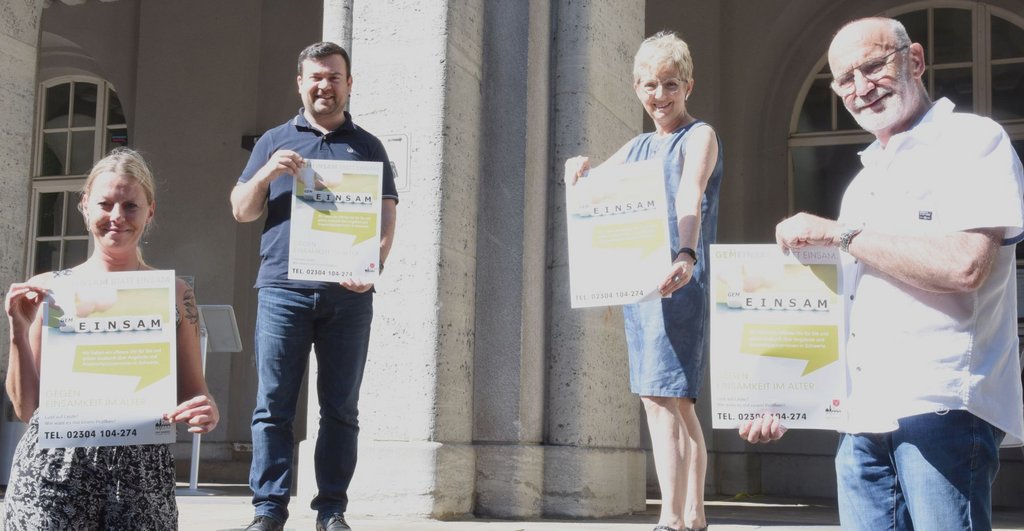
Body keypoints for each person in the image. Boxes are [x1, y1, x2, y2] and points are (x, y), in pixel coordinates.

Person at [742, 17, 1024, 530]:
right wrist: (784, 398)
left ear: (914, 59)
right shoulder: (863, 182)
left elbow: (966, 265)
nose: (861, 87)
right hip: (860, 418)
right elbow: (838, 310)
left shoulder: (973, 140)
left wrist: (841, 234)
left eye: (873, 66)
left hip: (940, 406)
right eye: (845, 80)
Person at [3, 148, 220, 530]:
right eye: (105, 204)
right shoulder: (49, 290)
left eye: (130, 206)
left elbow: (194, 392)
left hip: (140, 479)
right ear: (85, 206)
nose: (117, 216)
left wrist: (207, 411)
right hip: (53, 473)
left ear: (150, 211)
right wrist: (18, 331)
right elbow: (26, 408)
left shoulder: (174, 294)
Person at [229, 41, 398, 531]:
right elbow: (241, 210)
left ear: (349, 84)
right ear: (300, 83)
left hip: (348, 296)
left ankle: (331, 510)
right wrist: (267, 172)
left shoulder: (368, 146)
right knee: (273, 405)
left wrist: (372, 266)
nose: (325, 86)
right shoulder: (274, 141)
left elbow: (386, 219)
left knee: (341, 408)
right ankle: (268, 509)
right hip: (283, 290)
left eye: (334, 77)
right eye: (316, 77)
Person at [565, 31, 722, 531]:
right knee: (676, 401)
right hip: (642, 289)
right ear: (637, 88)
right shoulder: (637, 146)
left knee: (661, 399)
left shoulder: (699, 136)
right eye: (650, 85)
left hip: (680, 279)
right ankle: (693, 515)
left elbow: (690, 194)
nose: (660, 95)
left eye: (670, 84)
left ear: (688, 86)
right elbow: (592, 191)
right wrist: (577, 170)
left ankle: (670, 519)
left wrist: (686, 253)